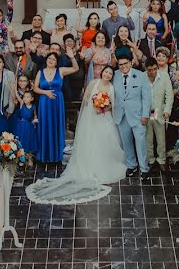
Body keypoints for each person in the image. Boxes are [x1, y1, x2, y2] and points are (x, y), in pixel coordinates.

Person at [27, 64, 127, 204]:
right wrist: (95, 104)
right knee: (91, 142)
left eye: (110, 73)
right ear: (102, 72)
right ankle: (89, 167)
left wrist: (104, 107)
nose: (108, 75)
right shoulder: (93, 83)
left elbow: (112, 104)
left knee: (104, 143)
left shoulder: (111, 87)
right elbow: (86, 99)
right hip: (91, 117)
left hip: (105, 118)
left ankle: (104, 166)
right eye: (106, 72)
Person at [33, 51, 80, 166]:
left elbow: (75, 68)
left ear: (56, 62)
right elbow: (35, 88)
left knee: (56, 126)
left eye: (53, 59)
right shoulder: (41, 72)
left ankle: (56, 156)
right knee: (44, 127)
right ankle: (43, 156)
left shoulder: (61, 71)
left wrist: (72, 57)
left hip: (57, 102)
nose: (51, 60)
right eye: (49, 58)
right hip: (44, 103)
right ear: (46, 60)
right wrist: (46, 92)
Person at [112, 53, 152, 181]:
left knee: (140, 143)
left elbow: (146, 97)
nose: (123, 66)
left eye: (125, 63)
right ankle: (131, 165)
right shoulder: (115, 75)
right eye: (120, 64)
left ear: (131, 62)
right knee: (126, 142)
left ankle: (144, 168)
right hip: (121, 115)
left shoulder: (140, 75)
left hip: (138, 116)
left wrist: (145, 115)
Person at [145, 61, 173, 172]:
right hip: (146, 113)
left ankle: (161, 160)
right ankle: (150, 160)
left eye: (155, 69)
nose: (153, 72)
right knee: (148, 139)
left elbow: (169, 95)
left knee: (161, 140)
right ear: (146, 69)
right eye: (150, 70)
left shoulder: (165, 77)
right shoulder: (142, 77)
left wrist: (167, 110)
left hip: (159, 112)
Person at [11, 88, 39, 154]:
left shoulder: (33, 106)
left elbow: (35, 115)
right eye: (24, 97)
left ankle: (28, 156)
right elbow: (17, 95)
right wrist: (14, 86)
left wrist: (35, 120)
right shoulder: (22, 104)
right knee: (21, 139)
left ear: (32, 99)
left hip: (29, 125)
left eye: (27, 97)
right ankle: (20, 155)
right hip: (21, 125)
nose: (25, 98)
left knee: (28, 139)